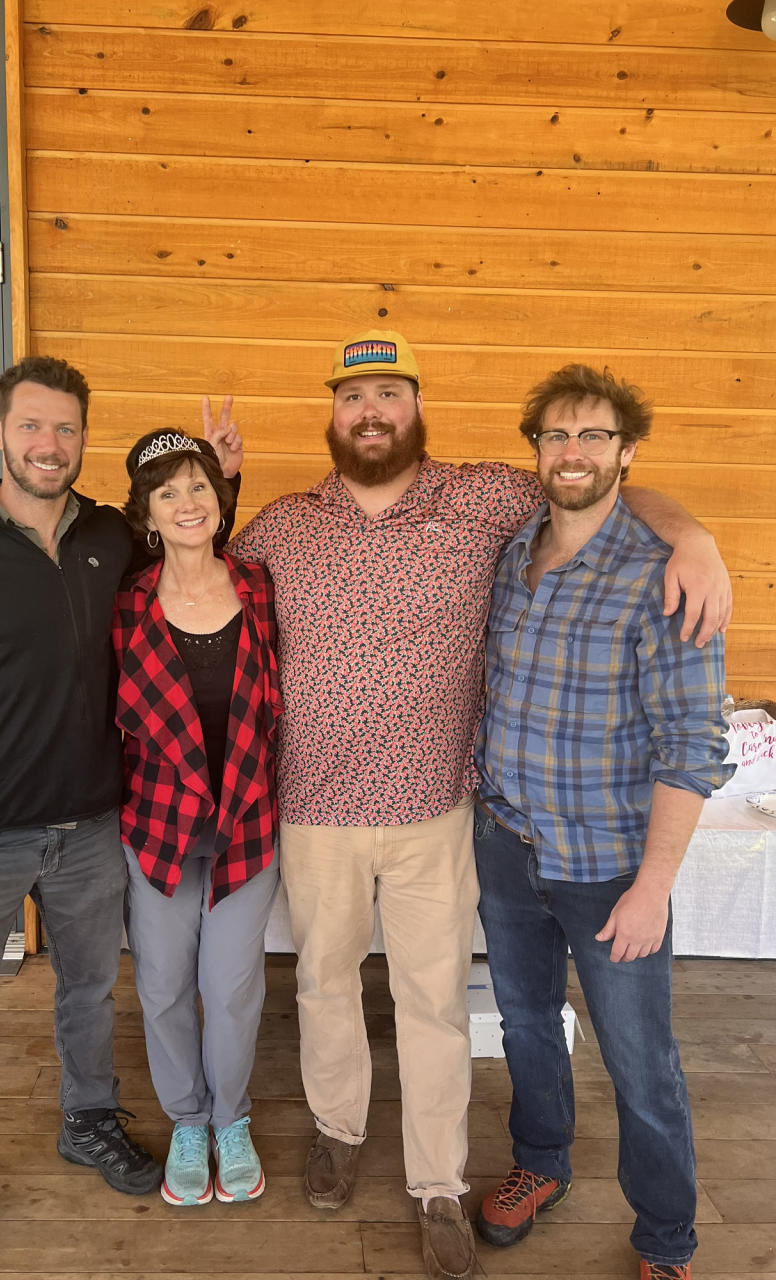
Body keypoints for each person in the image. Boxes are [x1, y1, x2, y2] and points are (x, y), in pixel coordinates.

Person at [228, 330, 732, 1280]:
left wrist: (694, 536)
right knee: (325, 985)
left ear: (418, 407)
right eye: (353, 398)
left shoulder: (487, 499)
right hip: (317, 808)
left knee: (433, 1005)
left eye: (390, 395)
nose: (371, 413)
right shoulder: (281, 527)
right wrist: (215, 496)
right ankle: (336, 1129)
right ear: (332, 414)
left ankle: (437, 1182)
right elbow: (199, 580)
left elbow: (600, 490)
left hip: (440, 812)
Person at [0, 358, 241, 1279]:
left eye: (66, 429)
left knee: (86, 992)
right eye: (32, 427)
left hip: (93, 826)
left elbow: (190, 543)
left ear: (81, 438)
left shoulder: (109, 536)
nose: (49, 444)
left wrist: (225, 480)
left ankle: (88, 1121)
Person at [473, 365, 733, 1280]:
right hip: (505, 847)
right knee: (527, 1025)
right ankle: (541, 1162)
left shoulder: (665, 575)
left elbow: (695, 743)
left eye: (593, 436)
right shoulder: (512, 549)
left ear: (628, 451)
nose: (572, 452)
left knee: (641, 1062)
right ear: (535, 449)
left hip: (608, 867)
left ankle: (666, 1238)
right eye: (555, 435)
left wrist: (655, 888)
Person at [114, 429, 281, 1208]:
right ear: (147, 512)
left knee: (233, 986)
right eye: (168, 491)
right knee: (164, 989)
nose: (187, 503)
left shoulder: (260, 587)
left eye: (200, 488)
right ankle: (187, 1121)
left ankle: (230, 1118)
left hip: (246, 826)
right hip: (158, 829)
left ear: (221, 502)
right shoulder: (127, 602)